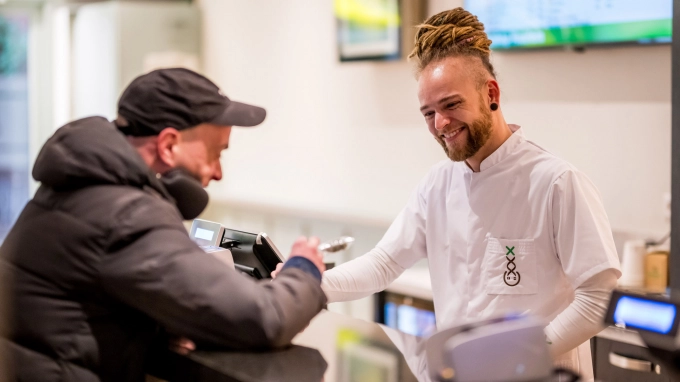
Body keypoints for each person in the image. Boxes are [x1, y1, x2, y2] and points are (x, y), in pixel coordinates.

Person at [319, 8, 620, 379]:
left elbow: (598, 297)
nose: (440, 124)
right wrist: (308, 286)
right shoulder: (437, 185)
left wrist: (521, 356)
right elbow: (384, 263)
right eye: (428, 113)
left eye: (451, 105)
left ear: (490, 93)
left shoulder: (557, 182)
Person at [0, 68, 327, 382]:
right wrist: (303, 270)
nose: (217, 173)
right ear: (168, 145)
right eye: (216, 154)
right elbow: (263, 317)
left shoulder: (78, 189)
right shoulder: (126, 216)